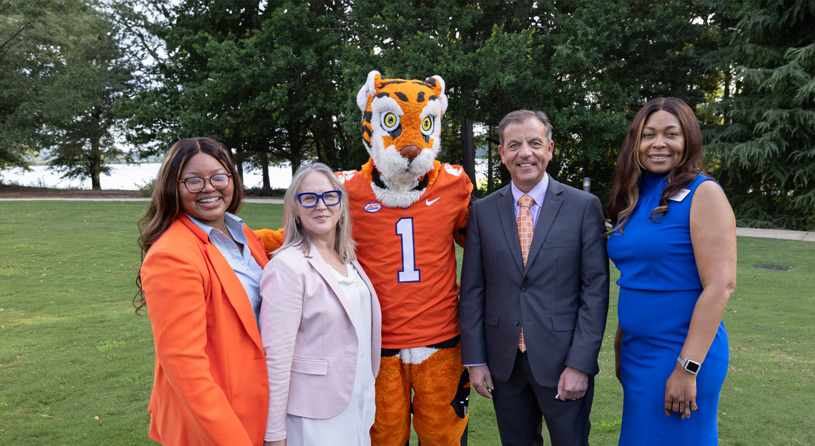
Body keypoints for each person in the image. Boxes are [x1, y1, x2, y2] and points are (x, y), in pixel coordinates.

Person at [459, 110, 610, 446]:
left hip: (562, 362)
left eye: (534, 143)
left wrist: (580, 365)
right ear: (501, 153)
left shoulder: (583, 207)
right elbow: (472, 291)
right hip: (504, 365)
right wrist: (476, 360)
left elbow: (595, 293)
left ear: (550, 149)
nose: (524, 152)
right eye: (514, 145)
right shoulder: (482, 211)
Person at [606, 97, 736, 444]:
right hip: (637, 352)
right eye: (648, 135)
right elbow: (639, 278)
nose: (658, 143)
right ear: (636, 142)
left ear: (688, 139)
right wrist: (621, 346)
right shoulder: (633, 197)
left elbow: (720, 285)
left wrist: (687, 367)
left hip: (681, 355)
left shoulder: (703, 193)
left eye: (671, 134)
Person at [135, 137, 269, 445]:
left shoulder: (240, 233)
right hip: (216, 424)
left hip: (259, 406)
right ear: (173, 187)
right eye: (193, 181)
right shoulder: (172, 256)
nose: (209, 188)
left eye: (218, 177)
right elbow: (185, 367)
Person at [259, 162, 382, 446]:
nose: (321, 206)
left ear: (340, 204)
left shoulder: (349, 259)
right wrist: (274, 434)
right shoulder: (286, 267)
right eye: (308, 198)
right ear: (295, 211)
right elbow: (275, 358)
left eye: (329, 196)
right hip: (314, 414)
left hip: (357, 402)